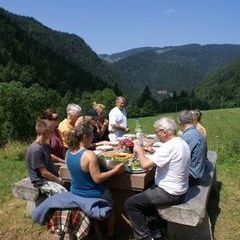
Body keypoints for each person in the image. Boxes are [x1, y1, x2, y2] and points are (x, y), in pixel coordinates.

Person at [125, 117, 191, 240]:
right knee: (146, 197)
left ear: (164, 132)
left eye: (157, 132)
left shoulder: (169, 146)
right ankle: (156, 233)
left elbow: (145, 165)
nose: (156, 135)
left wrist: (139, 150)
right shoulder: (180, 142)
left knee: (131, 203)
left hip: (170, 192)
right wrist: (153, 150)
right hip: (180, 189)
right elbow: (168, 156)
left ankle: (143, 237)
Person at [65, 124, 125, 239]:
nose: (93, 138)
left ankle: (97, 229)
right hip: (92, 193)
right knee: (112, 205)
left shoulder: (68, 152)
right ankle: (111, 233)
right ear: (85, 136)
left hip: (75, 191)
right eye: (91, 135)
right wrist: (115, 170)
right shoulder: (89, 155)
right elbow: (97, 178)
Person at [26, 119, 67, 196]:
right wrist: (58, 180)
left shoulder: (45, 144)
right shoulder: (36, 150)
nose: (53, 133)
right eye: (51, 131)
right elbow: (44, 173)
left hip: (50, 177)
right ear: (45, 132)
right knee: (63, 194)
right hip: (42, 182)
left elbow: (50, 156)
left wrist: (63, 161)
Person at [178, 110, 208, 186]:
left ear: (180, 122)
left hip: (192, 177)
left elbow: (177, 159)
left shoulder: (187, 137)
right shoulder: (196, 132)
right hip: (198, 169)